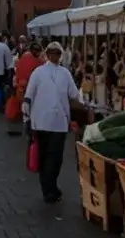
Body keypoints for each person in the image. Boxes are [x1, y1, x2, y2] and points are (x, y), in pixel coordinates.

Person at [23, 42, 87, 204]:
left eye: (57, 53)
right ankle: (49, 190)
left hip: (59, 122)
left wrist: (83, 104)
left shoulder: (65, 73)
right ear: (47, 54)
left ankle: (50, 188)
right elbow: (29, 94)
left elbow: (73, 94)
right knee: (45, 157)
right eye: (52, 53)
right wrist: (27, 115)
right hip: (41, 121)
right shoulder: (38, 72)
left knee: (55, 158)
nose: (55, 56)